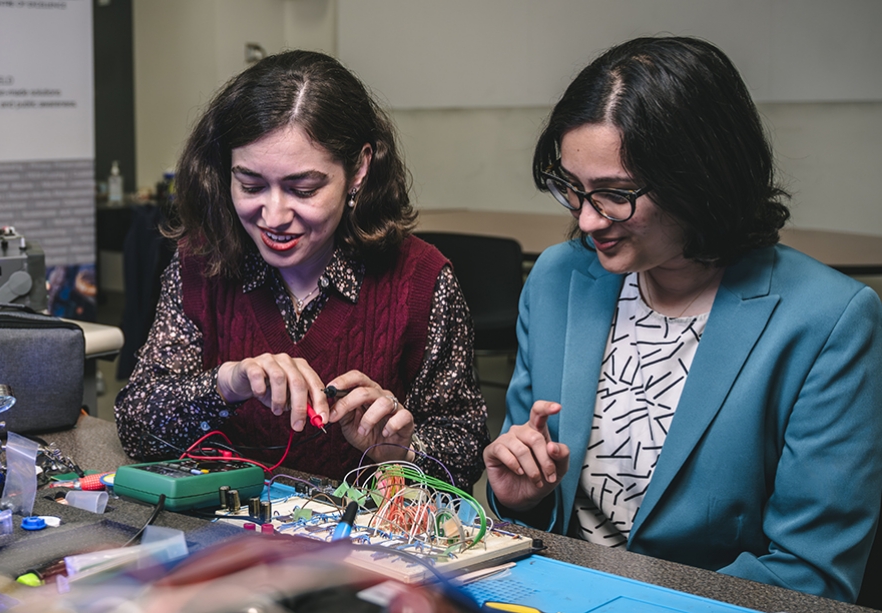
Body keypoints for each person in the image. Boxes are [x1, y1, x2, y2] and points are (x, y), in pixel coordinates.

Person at [484, 36, 882, 601]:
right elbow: (531, 513)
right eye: (571, 188)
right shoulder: (558, 280)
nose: (588, 220)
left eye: (615, 194)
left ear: (701, 179)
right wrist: (521, 497)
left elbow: (810, 576)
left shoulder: (827, 319)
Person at [114, 50, 488, 489]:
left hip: (365, 546)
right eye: (250, 185)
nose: (273, 215)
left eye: (303, 189)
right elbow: (136, 425)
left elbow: (465, 454)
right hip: (222, 535)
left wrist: (400, 451)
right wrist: (226, 384)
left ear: (359, 170)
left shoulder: (421, 280)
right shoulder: (201, 264)